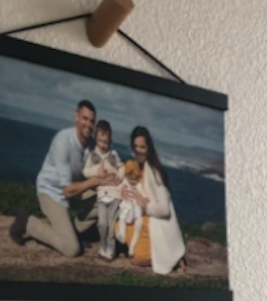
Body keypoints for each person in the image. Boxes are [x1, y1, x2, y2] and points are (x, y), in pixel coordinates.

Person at [12, 100, 118, 257]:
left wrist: (112, 179)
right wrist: (95, 181)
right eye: (84, 118)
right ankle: (28, 223)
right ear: (76, 116)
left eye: (91, 121)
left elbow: (99, 169)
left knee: (106, 198)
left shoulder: (90, 145)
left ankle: (74, 232)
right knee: (72, 249)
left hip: (74, 190)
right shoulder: (63, 141)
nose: (88, 124)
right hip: (51, 192)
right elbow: (67, 190)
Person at [120, 126, 187, 275]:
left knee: (137, 259)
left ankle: (169, 256)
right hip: (142, 217)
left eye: (142, 147)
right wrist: (122, 191)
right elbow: (126, 184)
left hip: (155, 221)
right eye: (135, 146)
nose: (138, 150)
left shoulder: (154, 172)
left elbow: (164, 209)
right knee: (118, 223)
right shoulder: (136, 166)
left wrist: (145, 205)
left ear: (149, 148)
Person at [83, 121, 125, 261]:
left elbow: (122, 167)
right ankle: (103, 246)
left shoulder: (113, 154)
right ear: (96, 138)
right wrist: (96, 171)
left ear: (110, 141)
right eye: (100, 141)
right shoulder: (92, 155)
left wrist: (119, 176)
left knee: (111, 224)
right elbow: (85, 171)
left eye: (106, 142)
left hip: (114, 194)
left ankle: (111, 250)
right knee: (102, 223)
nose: (103, 145)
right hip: (102, 194)